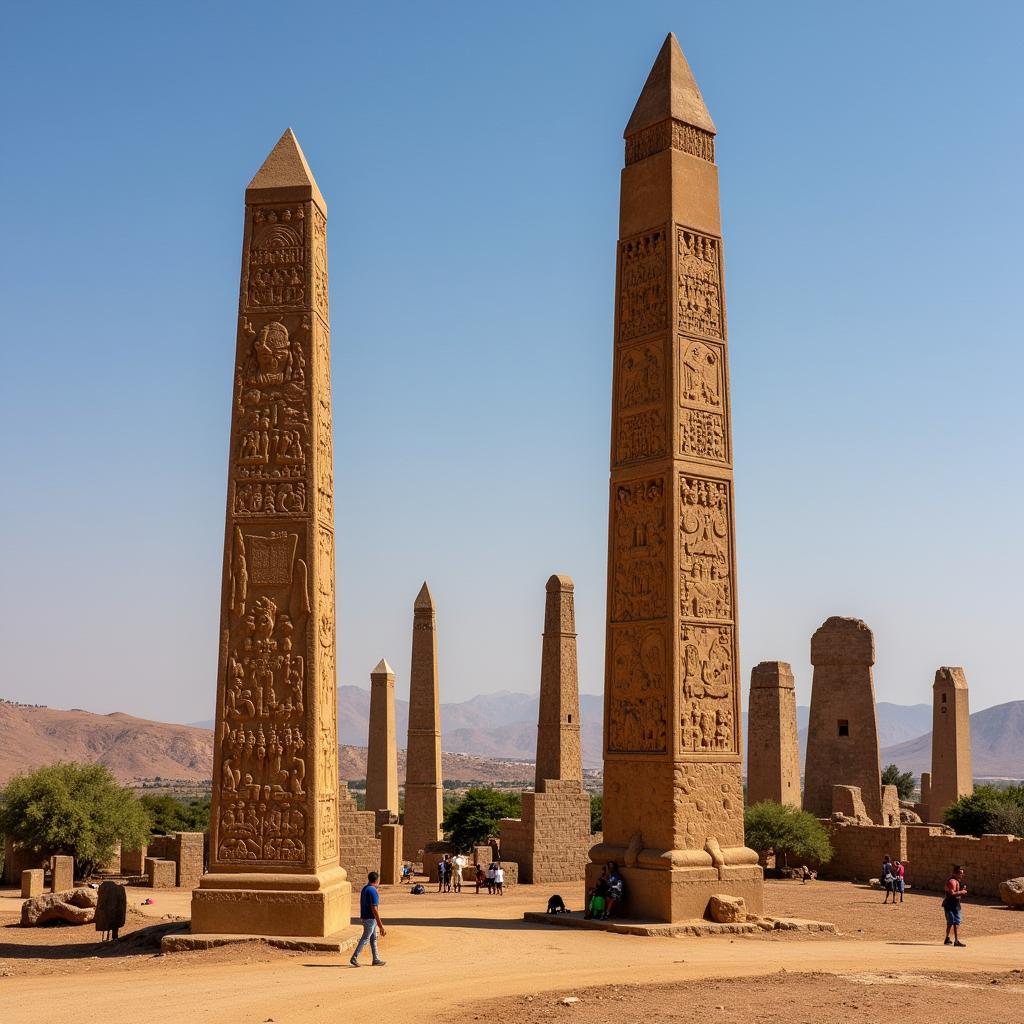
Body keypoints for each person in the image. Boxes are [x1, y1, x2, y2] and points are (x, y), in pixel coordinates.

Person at [350, 871, 386, 967]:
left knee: (373, 938)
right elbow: (374, 909)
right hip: (370, 919)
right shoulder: (373, 891)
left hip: (365, 917)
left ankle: (376, 959)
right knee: (365, 938)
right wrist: (381, 925)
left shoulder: (365, 889)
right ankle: (354, 957)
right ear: (377, 880)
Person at [943, 864, 967, 947]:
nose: (962, 875)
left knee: (952, 922)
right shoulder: (952, 881)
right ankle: (956, 941)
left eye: (962, 873)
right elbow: (952, 893)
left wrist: (961, 890)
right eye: (960, 873)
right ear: (955, 873)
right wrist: (962, 892)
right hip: (950, 905)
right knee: (954, 922)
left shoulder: (956, 881)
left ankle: (947, 938)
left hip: (955, 904)